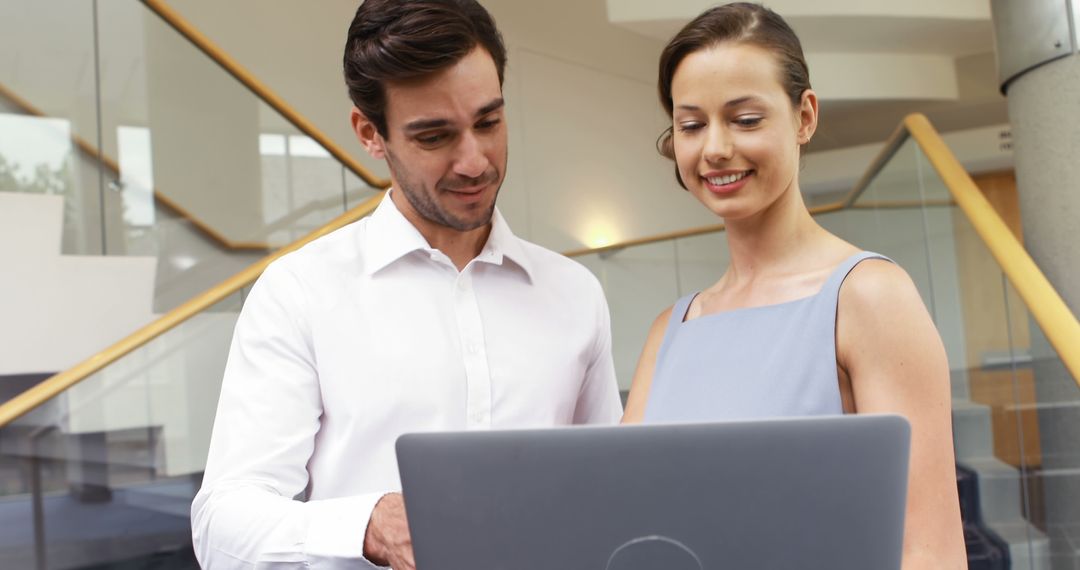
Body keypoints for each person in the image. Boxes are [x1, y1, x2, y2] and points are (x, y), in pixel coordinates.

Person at [190, 1, 623, 568]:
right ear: (370, 133)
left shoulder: (576, 293)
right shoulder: (300, 293)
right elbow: (222, 524)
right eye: (435, 136)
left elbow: (613, 496)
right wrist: (367, 525)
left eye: (488, 122)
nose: (474, 161)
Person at [620, 4, 966, 568]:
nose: (713, 149)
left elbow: (931, 552)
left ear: (804, 116)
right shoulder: (671, 329)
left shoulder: (868, 297)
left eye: (745, 119)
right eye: (691, 124)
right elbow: (631, 524)